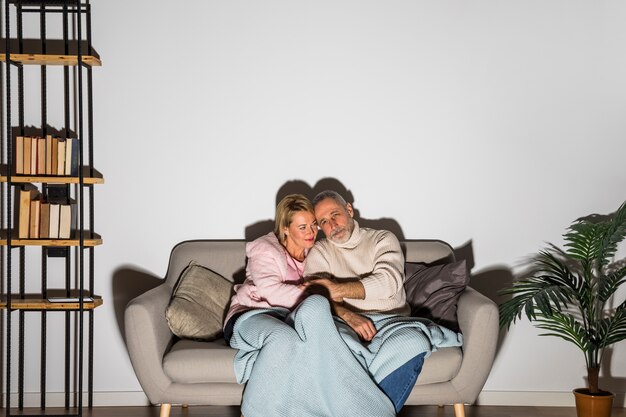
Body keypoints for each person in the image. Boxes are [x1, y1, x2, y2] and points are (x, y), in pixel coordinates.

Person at [302, 190, 409, 341]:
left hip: (393, 321)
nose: (332, 225)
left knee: (414, 343)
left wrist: (337, 290)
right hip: (349, 325)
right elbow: (315, 299)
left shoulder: (383, 238)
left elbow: (388, 283)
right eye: (324, 222)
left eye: (335, 215)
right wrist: (347, 315)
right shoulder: (321, 251)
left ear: (349, 210)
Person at [223, 193, 318, 342]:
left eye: (313, 224)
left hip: (285, 318)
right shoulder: (265, 249)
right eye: (302, 227)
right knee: (283, 337)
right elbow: (270, 291)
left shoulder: (315, 253)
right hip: (250, 314)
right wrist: (310, 293)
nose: (311, 232)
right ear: (285, 228)